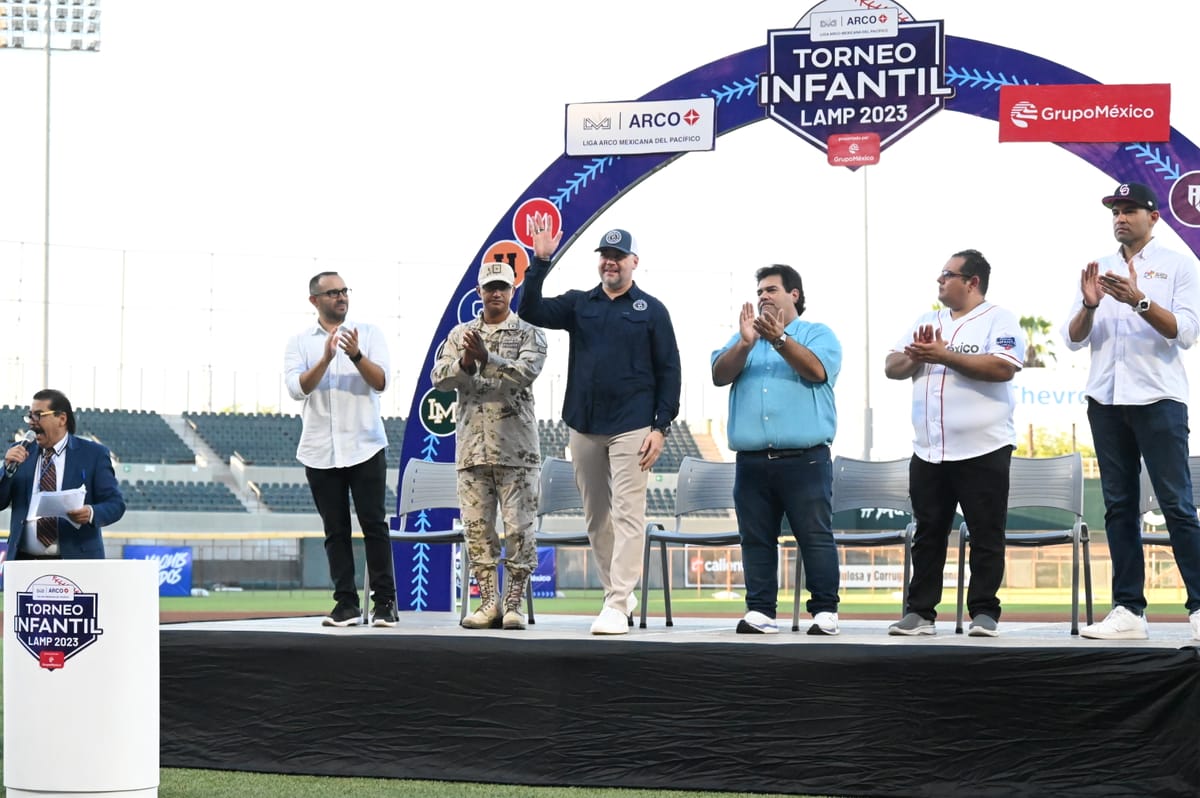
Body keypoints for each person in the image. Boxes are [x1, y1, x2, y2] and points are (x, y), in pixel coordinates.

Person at [519, 226, 681, 635]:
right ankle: (616, 599)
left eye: (618, 255)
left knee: (629, 513)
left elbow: (669, 371)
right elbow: (530, 310)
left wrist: (661, 427)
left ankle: (617, 601)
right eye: (605, 254)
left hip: (633, 425)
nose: (610, 261)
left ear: (634, 262)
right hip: (585, 423)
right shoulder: (579, 303)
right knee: (596, 516)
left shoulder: (652, 310)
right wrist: (539, 263)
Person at [1062, 181, 1200, 641]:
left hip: (1159, 399)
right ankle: (1128, 611)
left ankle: (1199, 607)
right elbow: (1074, 337)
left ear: (1153, 216)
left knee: (1177, 506)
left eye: (1130, 209)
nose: (1121, 217)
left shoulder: (1179, 266)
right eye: (1115, 211)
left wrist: (1138, 300)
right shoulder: (1097, 267)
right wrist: (1088, 304)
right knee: (1118, 508)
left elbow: (1184, 333)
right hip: (1105, 400)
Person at [884, 250, 1024, 637]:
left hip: (984, 447)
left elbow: (1003, 367)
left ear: (972, 281)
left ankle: (984, 612)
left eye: (947, 275)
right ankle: (921, 613)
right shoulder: (927, 321)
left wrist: (943, 355)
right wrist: (916, 356)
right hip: (929, 449)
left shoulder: (999, 318)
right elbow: (891, 367)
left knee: (985, 532)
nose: (940, 281)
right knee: (928, 532)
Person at [711, 264, 843, 635]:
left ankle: (825, 611)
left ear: (794, 295)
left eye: (771, 290)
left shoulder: (818, 334)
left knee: (814, 534)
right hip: (752, 460)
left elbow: (817, 371)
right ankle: (761, 610)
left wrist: (780, 340)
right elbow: (719, 375)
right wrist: (744, 343)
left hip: (805, 458)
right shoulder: (745, 339)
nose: (763, 297)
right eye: (760, 293)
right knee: (755, 538)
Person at [431, 260, 547, 630]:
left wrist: (487, 358)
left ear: (512, 291)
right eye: (489, 287)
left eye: (502, 287)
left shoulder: (529, 333)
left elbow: (525, 373)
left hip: (517, 451)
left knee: (519, 531)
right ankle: (488, 603)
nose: (495, 293)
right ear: (479, 292)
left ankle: (513, 602)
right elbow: (439, 378)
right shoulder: (460, 335)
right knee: (477, 531)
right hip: (472, 450)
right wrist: (466, 362)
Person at [284, 271, 398, 628]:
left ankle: (385, 604)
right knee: (335, 530)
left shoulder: (370, 333)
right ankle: (345, 604)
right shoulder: (300, 342)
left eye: (344, 291)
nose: (341, 297)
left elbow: (380, 383)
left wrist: (355, 354)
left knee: (374, 525)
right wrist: (325, 358)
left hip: (364, 445)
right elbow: (296, 389)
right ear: (314, 300)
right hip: (320, 449)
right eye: (332, 292)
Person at [0, 389, 126, 559]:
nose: (31, 422)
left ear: (61, 419)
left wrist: (90, 513)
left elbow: (116, 504)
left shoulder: (93, 454)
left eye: (39, 415)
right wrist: (7, 469)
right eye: (30, 416)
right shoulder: (20, 452)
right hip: (25, 561)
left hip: (75, 561)